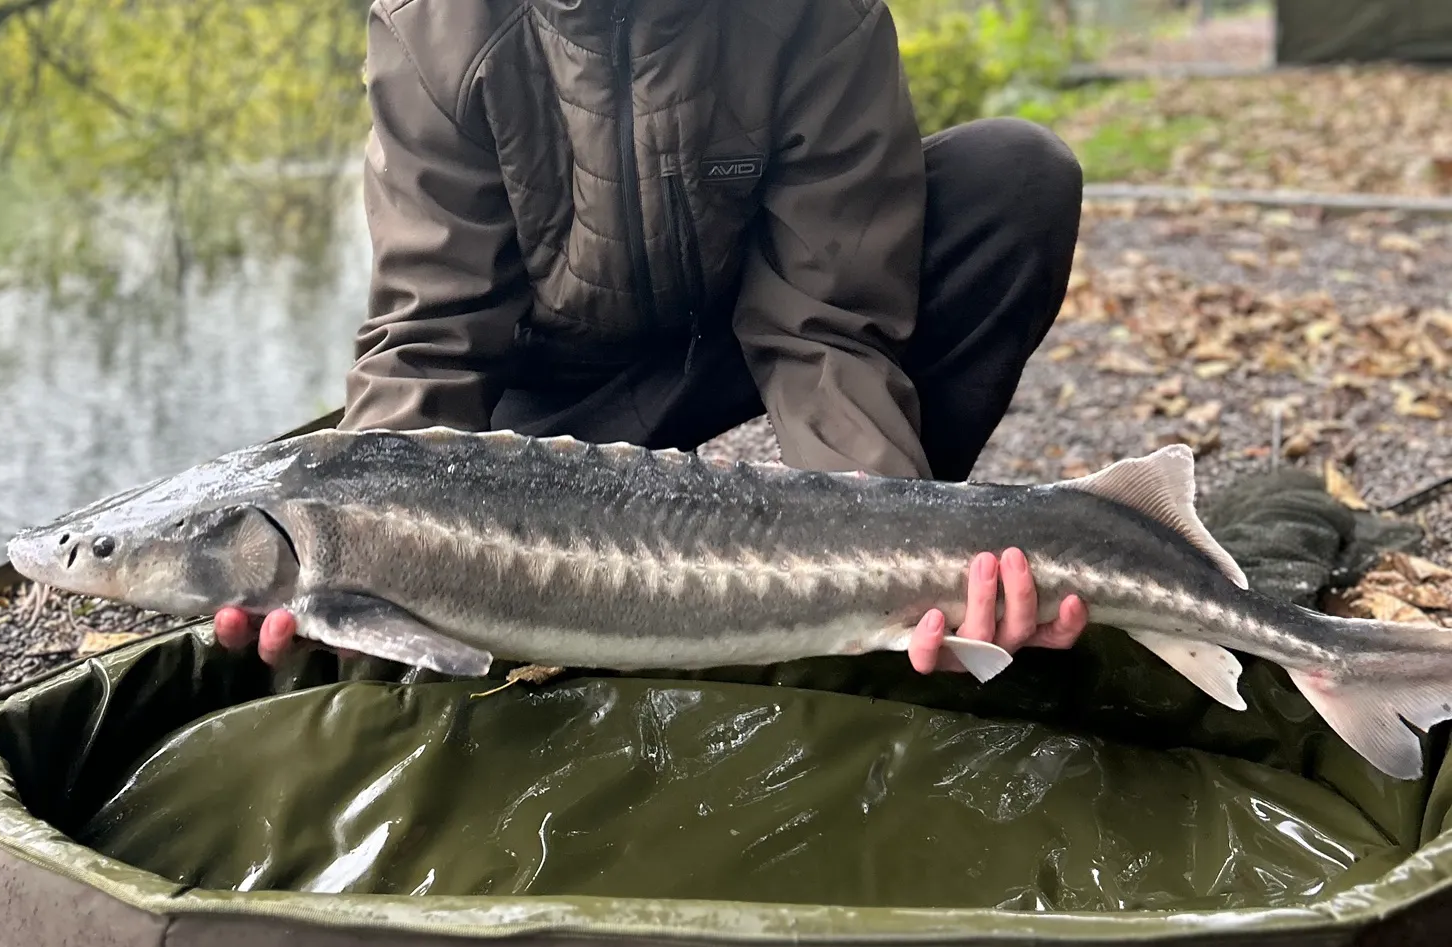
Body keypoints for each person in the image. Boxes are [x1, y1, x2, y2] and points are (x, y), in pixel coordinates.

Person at [215, 0, 1090, 673]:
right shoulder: (432, 25)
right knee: (348, 558)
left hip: (736, 334)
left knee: (1014, 180)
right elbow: (431, 332)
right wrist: (350, 549)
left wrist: (899, 553)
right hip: (550, 400)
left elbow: (826, 327)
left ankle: (890, 601)